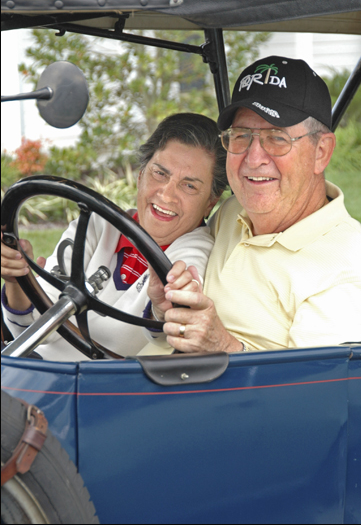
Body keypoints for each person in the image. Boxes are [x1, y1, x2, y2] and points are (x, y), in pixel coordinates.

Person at [145, 55, 361, 354]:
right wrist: (163, 310)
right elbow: (169, 338)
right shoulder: (233, 213)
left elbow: (316, 396)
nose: (253, 159)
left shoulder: (352, 280)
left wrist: (226, 348)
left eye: (277, 138)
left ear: (321, 151)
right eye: (242, 136)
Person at [1, 113, 228, 360]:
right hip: (35, 370)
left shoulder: (196, 250)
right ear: (141, 174)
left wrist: (160, 312)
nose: (166, 195)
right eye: (160, 174)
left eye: (189, 186)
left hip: (104, 389)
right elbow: (31, 328)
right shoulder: (95, 223)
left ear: (210, 203)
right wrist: (17, 283)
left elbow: (164, 332)